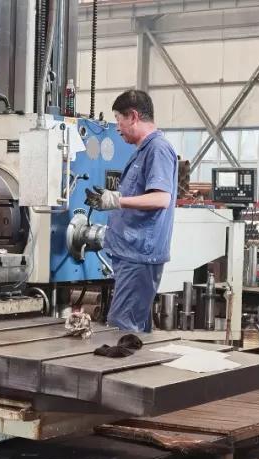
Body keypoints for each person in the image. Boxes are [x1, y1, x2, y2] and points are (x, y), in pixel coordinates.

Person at [85, 90, 177, 333]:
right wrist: (112, 198)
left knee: (122, 329)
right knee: (135, 333)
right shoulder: (143, 151)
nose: (117, 128)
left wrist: (117, 200)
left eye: (119, 120)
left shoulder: (158, 149)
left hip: (139, 255)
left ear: (133, 116)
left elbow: (161, 198)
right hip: (130, 254)